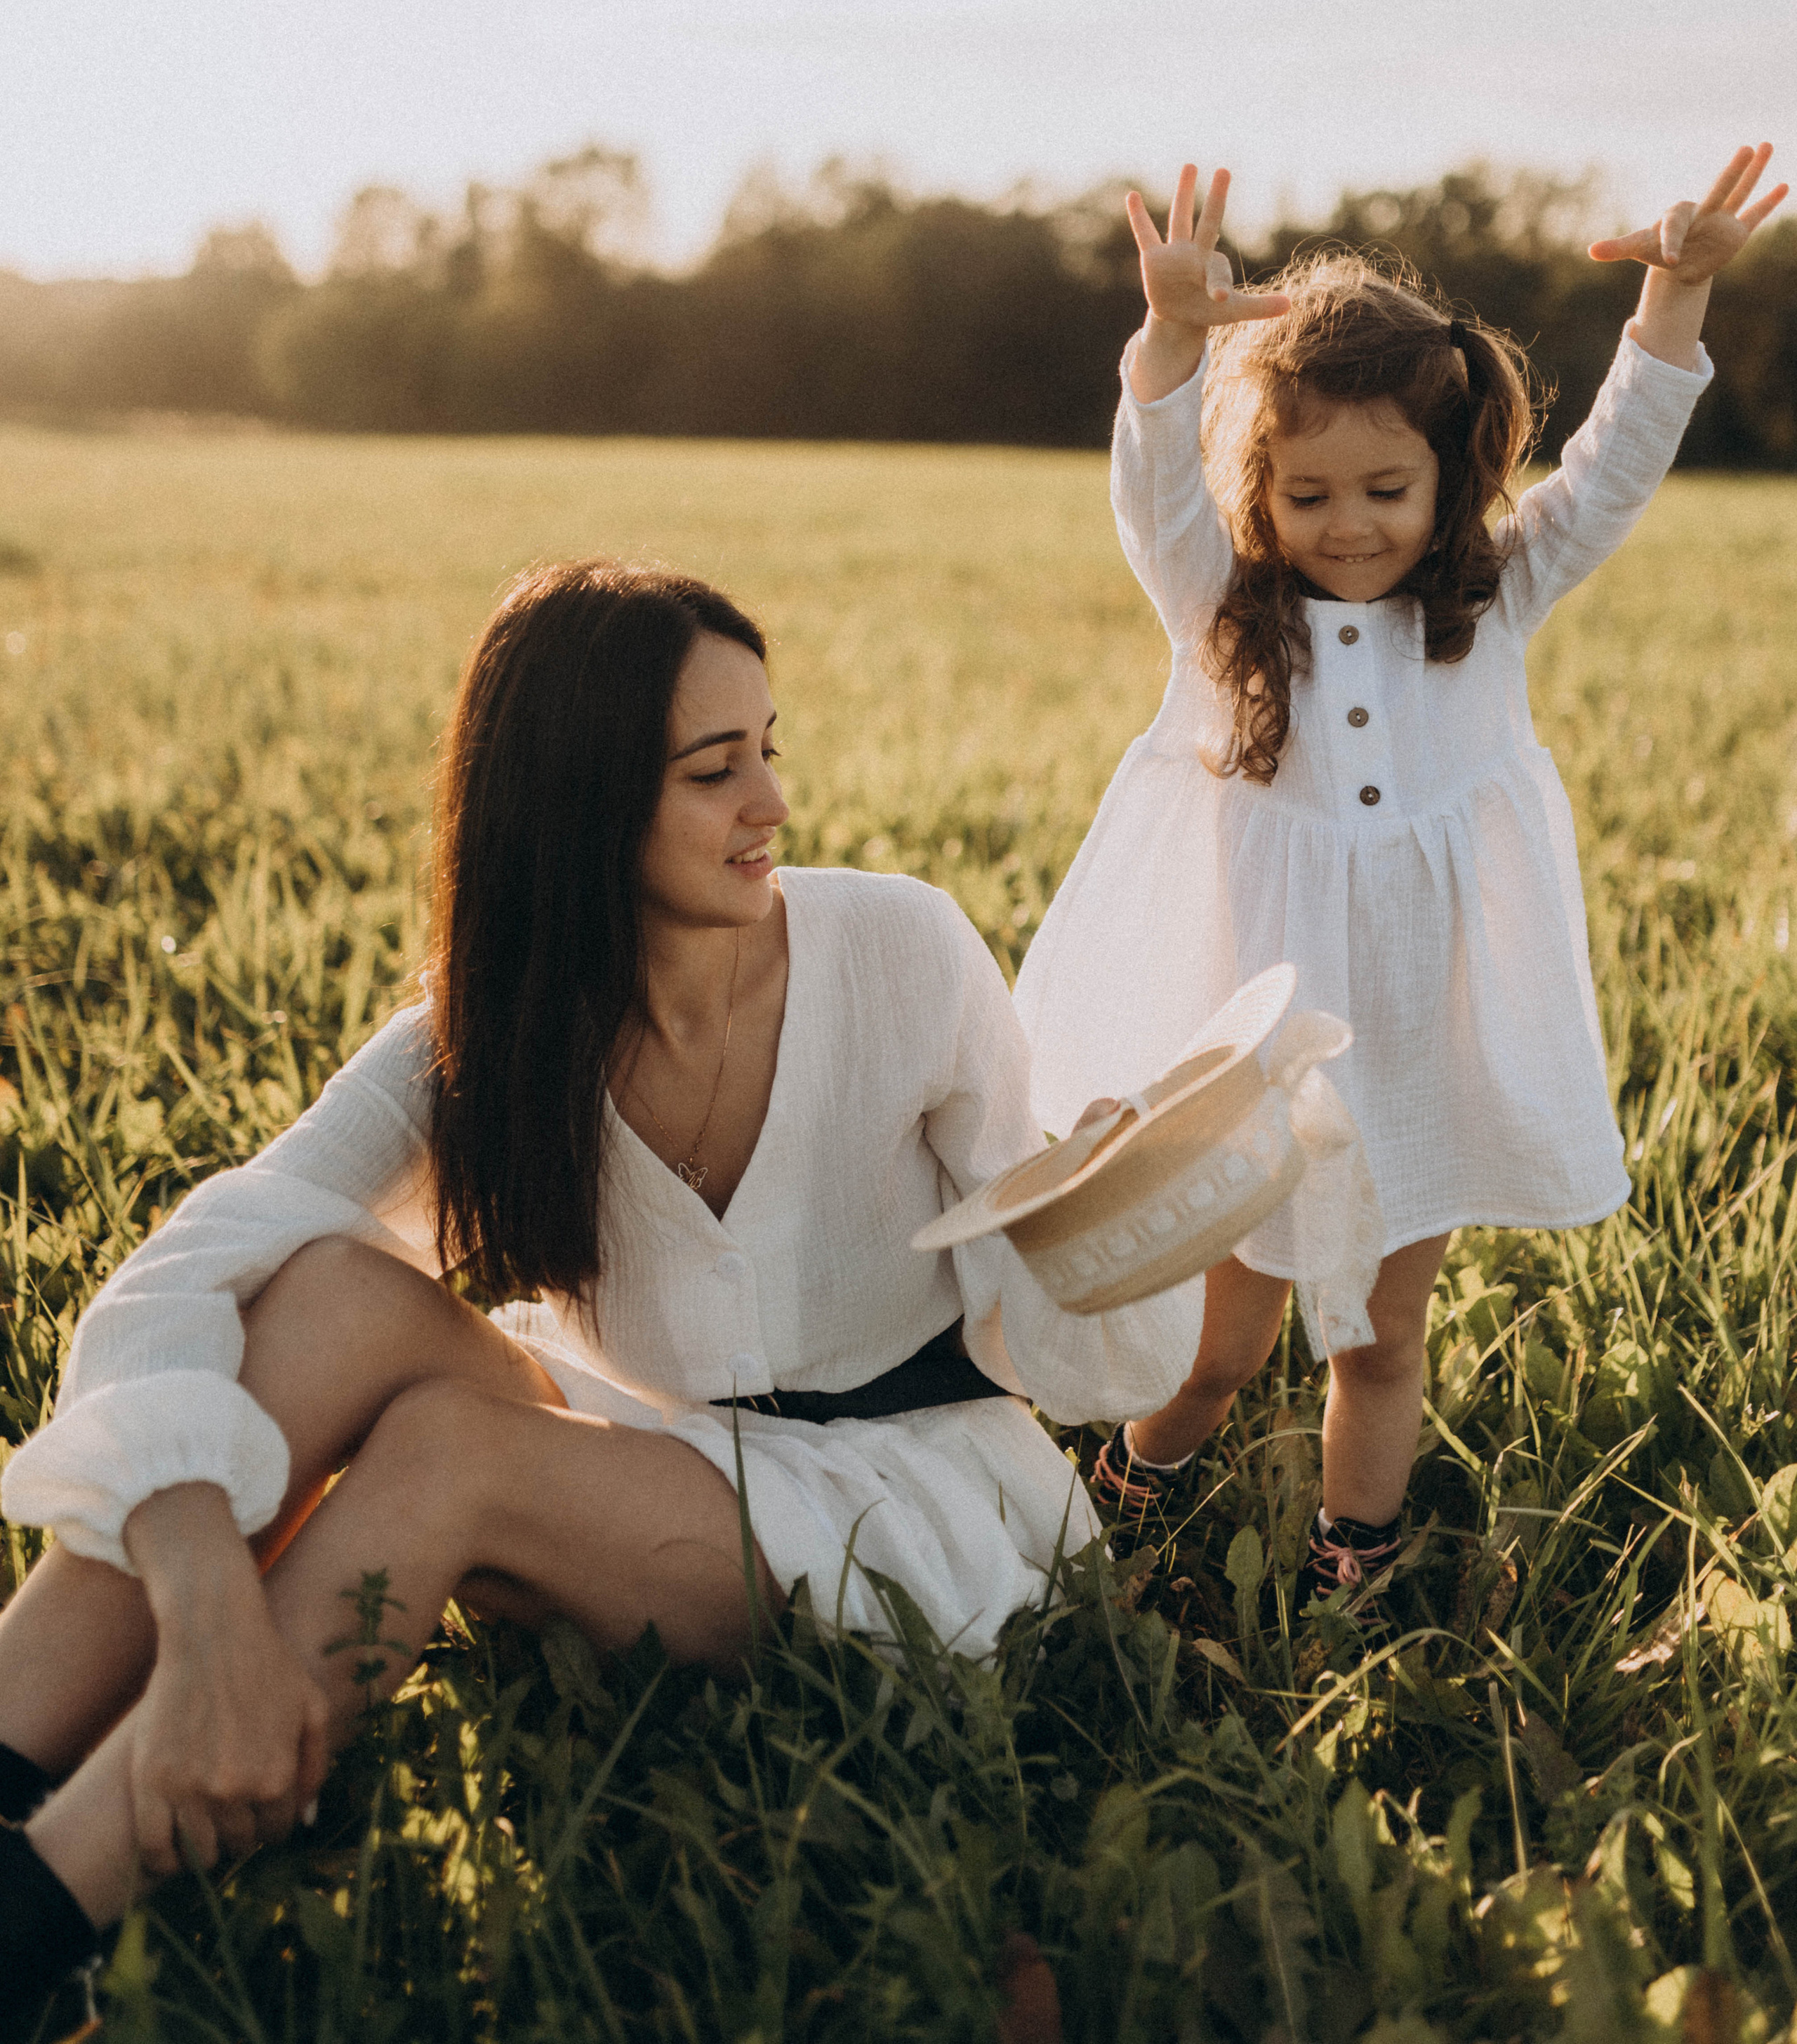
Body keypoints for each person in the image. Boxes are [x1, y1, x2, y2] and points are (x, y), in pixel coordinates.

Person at [0, 560, 1205, 2024]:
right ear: (576, 802)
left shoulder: (899, 948)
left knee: (442, 1449)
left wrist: (1105, 1222)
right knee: (320, 1284)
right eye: (716, 770)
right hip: (633, 1446)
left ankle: (44, 1909)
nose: (770, 801)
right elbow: (207, 1254)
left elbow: (1088, 1372)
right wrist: (199, 1594)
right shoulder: (496, 1022)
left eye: (769, 748)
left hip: (897, 1498)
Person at [1014, 143, 1784, 1596]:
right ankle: (1125, 1493)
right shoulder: (1224, 617)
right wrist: (1170, 342)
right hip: (1255, 1060)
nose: (1349, 523)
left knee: (1378, 1334)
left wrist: (1672, 299)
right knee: (1222, 1344)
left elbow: (1612, 467)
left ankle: (1347, 1556)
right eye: (1307, 493)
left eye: (1385, 486)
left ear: (1449, 479)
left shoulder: (1490, 598)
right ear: (1261, 491)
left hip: (1417, 1045)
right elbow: (1150, 498)